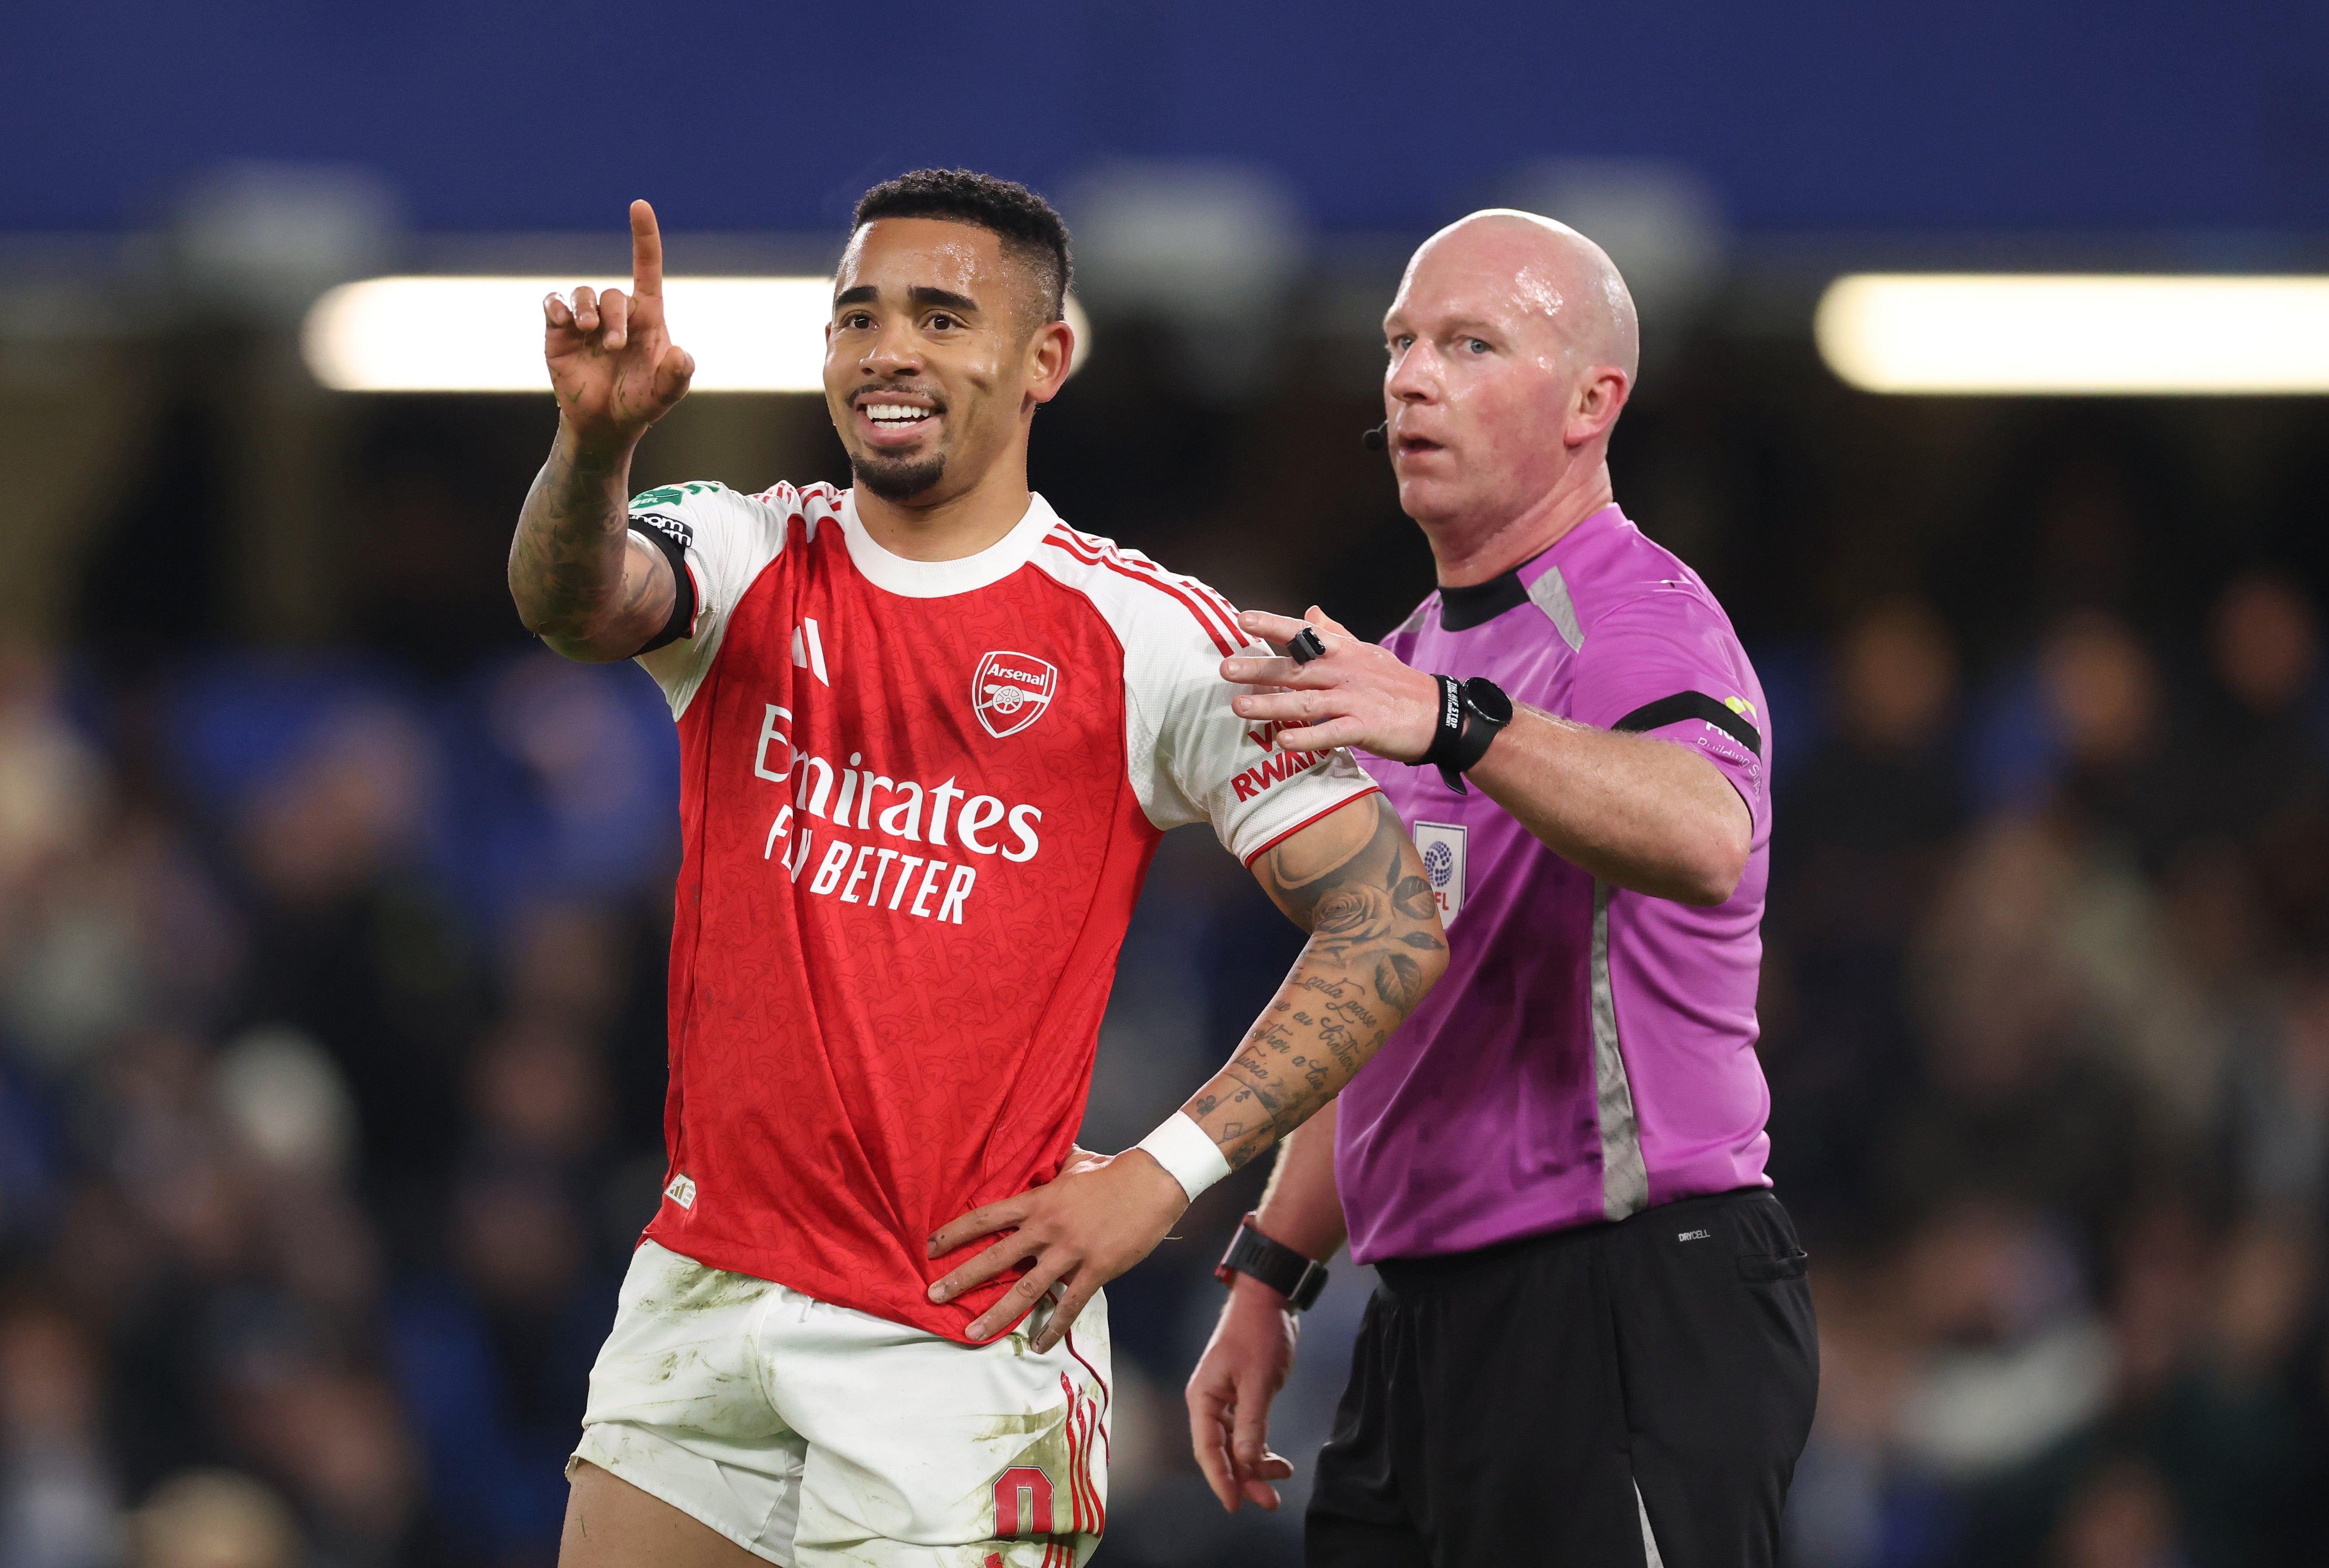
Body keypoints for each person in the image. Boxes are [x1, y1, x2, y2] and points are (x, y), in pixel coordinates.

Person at [505, 169, 1448, 1568]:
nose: (887, 350)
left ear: (1043, 360)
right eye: (858, 317)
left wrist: (1162, 1175)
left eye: (942, 319)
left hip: (958, 1343)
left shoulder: (1147, 634)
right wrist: (593, 448)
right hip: (705, 1293)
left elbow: (1391, 923)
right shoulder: (746, 546)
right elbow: (572, 604)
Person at [1185, 211, 1818, 1567]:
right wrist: (1269, 1274)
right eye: (1400, 343)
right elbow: (1387, 1000)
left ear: (1592, 403)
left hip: (1623, 1300)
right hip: (1424, 1323)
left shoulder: (1635, 617)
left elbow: (1704, 830)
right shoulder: (1404, 666)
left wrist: (1451, 723)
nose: (1411, 379)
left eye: (1470, 345)